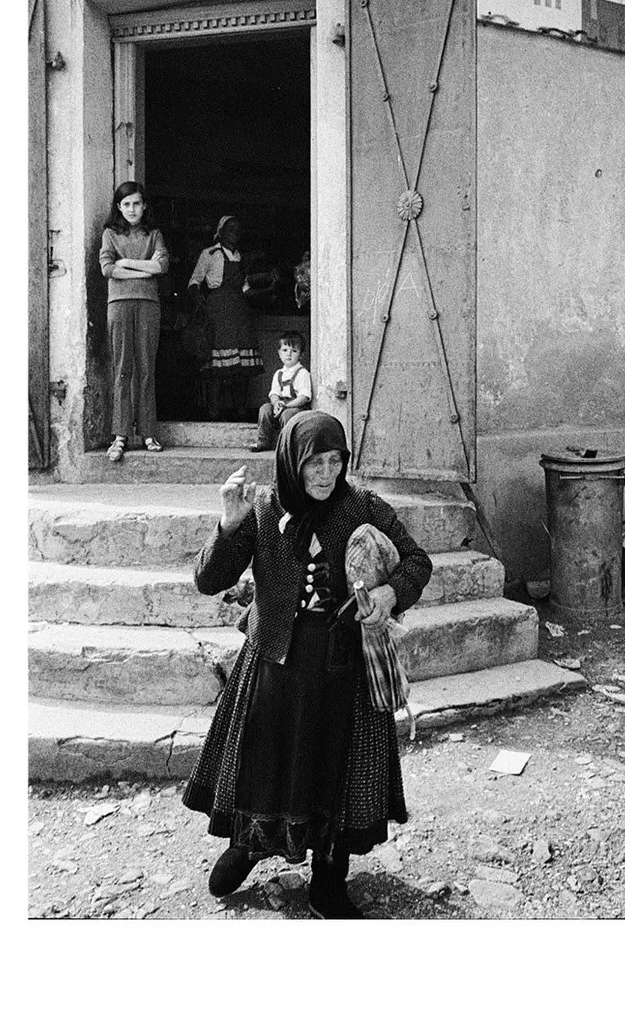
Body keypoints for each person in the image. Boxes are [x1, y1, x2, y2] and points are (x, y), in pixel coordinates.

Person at [182, 411, 431, 918]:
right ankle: (249, 843)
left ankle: (328, 879)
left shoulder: (362, 507)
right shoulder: (264, 508)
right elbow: (209, 580)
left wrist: (390, 591)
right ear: (292, 462)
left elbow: (417, 561)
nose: (325, 473)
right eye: (314, 462)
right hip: (274, 660)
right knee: (263, 760)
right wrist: (227, 525)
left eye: (335, 460)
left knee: (333, 773)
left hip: (344, 667)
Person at [98, 181, 170, 461]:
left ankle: (148, 432)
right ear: (119, 207)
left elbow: (161, 266)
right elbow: (107, 268)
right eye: (126, 204)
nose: (132, 209)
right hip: (118, 305)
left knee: (146, 367)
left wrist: (125, 263)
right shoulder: (110, 234)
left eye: (136, 203)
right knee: (122, 368)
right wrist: (143, 268)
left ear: (144, 206)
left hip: (148, 305)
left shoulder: (154, 234)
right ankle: (120, 435)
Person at [187, 215, 264, 419]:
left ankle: (240, 410)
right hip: (217, 310)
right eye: (230, 229)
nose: (235, 233)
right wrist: (199, 300)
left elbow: (246, 288)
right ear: (220, 232)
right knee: (217, 365)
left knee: (241, 366)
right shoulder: (210, 254)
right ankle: (214, 410)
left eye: (238, 230)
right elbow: (194, 281)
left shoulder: (240, 257)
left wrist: (267, 287)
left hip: (239, 310)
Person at [251, 331, 313, 452]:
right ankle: (263, 441)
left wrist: (287, 406)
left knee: (287, 415)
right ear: (279, 353)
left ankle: (286, 445)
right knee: (265, 409)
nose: (289, 354)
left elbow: (304, 397)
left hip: (296, 406)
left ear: (301, 355)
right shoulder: (279, 373)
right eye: (285, 350)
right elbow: (274, 393)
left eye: (294, 351)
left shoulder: (302, 373)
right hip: (281, 405)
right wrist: (276, 403)